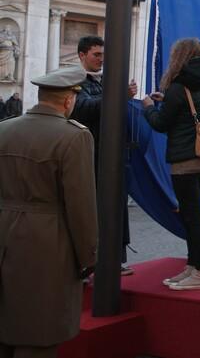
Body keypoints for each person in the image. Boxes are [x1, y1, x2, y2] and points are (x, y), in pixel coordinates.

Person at [0, 66, 98, 358]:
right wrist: (88, 257)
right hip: (47, 242)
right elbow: (81, 206)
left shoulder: (4, 129)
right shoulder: (73, 137)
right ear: (69, 101)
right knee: (38, 331)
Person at [142, 38, 200, 291]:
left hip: (184, 161)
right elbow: (187, 113)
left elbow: (161, 124)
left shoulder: (178, 87)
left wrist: (149, 107)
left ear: (179, 58)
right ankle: (193, 265)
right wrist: (166, 99)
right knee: (191, 214)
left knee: (192, 217)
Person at [69, 35, 138, 275]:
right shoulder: (75, 81)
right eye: (96, 55)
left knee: (116, 208)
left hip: (113, 154)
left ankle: (115, 259)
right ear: (81, 55)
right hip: (92, 155)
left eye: (103, 55)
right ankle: (93, 263)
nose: (101, 59)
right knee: (95, 210)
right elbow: (82, 108)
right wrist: (119, 96)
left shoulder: (106, 81)